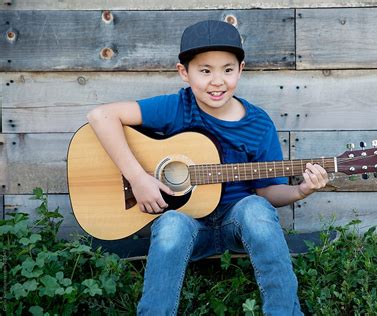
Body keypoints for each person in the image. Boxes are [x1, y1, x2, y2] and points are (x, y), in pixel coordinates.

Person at [87, 20, 329, 315]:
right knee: (172, 223)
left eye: (227, 70)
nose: (217, 81)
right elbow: (101, 116)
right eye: (205, 71)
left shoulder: (258, 123)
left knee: (255, 207)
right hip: (187, 224)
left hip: (236, 225)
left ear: (241, 69)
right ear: (184, 73)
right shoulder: (176, 107)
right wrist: (138, 178)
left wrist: (300, 190)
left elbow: (267, 192)